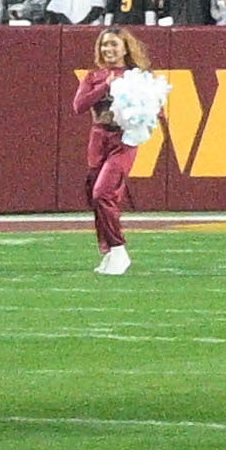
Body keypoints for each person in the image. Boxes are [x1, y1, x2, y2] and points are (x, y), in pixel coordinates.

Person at [82, 20, 161, 272]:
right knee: (96, 197)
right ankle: (108, 250)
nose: (108, 49)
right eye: (104, 45)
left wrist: (139, 122)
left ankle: (119, 250)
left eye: (114, 44)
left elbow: (155, 109)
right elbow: (79, 105)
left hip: (123, 141)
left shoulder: (137, 77)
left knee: (102, 193)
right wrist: (106, 85)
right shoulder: (93, 77)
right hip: (98, 139)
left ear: (125, 48)